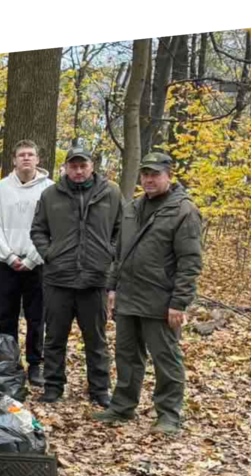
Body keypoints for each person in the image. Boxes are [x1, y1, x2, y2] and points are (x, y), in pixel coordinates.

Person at [94, 151, 202, 436]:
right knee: (127, 355)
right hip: (129, 296)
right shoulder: (133, 207)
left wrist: (179, 302)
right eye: (145, 174)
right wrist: (113, 287)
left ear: (169, 175)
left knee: (166, 358)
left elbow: (190, 262)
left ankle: (168, 415)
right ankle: (122, 406)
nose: (149, 179)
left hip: (161, 300)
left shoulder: (183, 211)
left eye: (155, 174)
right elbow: (119, 252)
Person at [30, 147, 122, 406]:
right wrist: (50, 254)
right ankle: (54, 386)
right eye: (73, 166)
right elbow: (38, 229)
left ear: (92, 166)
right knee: (55, 337)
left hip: (95, 279)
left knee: (96, 340)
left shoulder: (111, 193)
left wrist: (109, 253)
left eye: (83, 166)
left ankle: (100, 390)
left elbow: (121, 229)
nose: (78, 171)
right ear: (66, 168)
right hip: (58, 278)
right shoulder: (50, 195)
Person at [0, 139, 53, 388]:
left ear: (38, 159)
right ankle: (9, 363)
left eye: (30, 154)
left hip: (37, 264)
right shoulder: (0, 189)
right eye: (21, 154)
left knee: (37, 317)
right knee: (6, 316)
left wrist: (33, 258)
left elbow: (52, 229)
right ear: (14, 160)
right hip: (6, 264)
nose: (26, 158)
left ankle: (35, 364)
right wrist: (9, 256)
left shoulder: (49, 189)